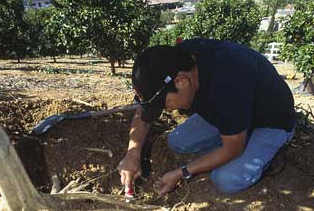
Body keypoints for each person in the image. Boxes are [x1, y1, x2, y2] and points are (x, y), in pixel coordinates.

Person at [117, 38, 295, 196]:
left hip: (270, 121)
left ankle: (268, 153)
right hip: (232, 112)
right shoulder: (173, 61)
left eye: (165, 104)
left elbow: (232, 149)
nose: (168, 110)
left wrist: (182, 172)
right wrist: (132, 154)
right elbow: (142, 112)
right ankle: (234, 133)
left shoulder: (227, 82)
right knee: (178, 141)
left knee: (226, 179)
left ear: (182, 81)